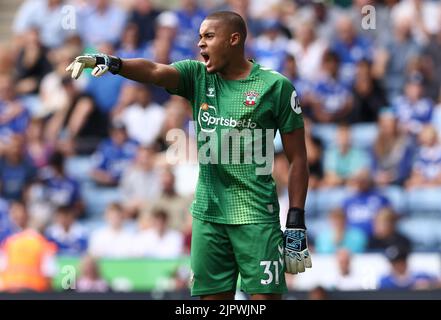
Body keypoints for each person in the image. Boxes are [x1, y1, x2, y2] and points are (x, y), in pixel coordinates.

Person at [66, 11, 311, 300]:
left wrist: (295, 220)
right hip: (207, 217)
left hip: (256, 217)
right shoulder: (197, 77)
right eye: (199, 37)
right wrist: (114, 62)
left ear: (234, 40)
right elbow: (155, 71)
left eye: (208, 36)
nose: (200, 44)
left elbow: (298, 159)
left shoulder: (275, 86)